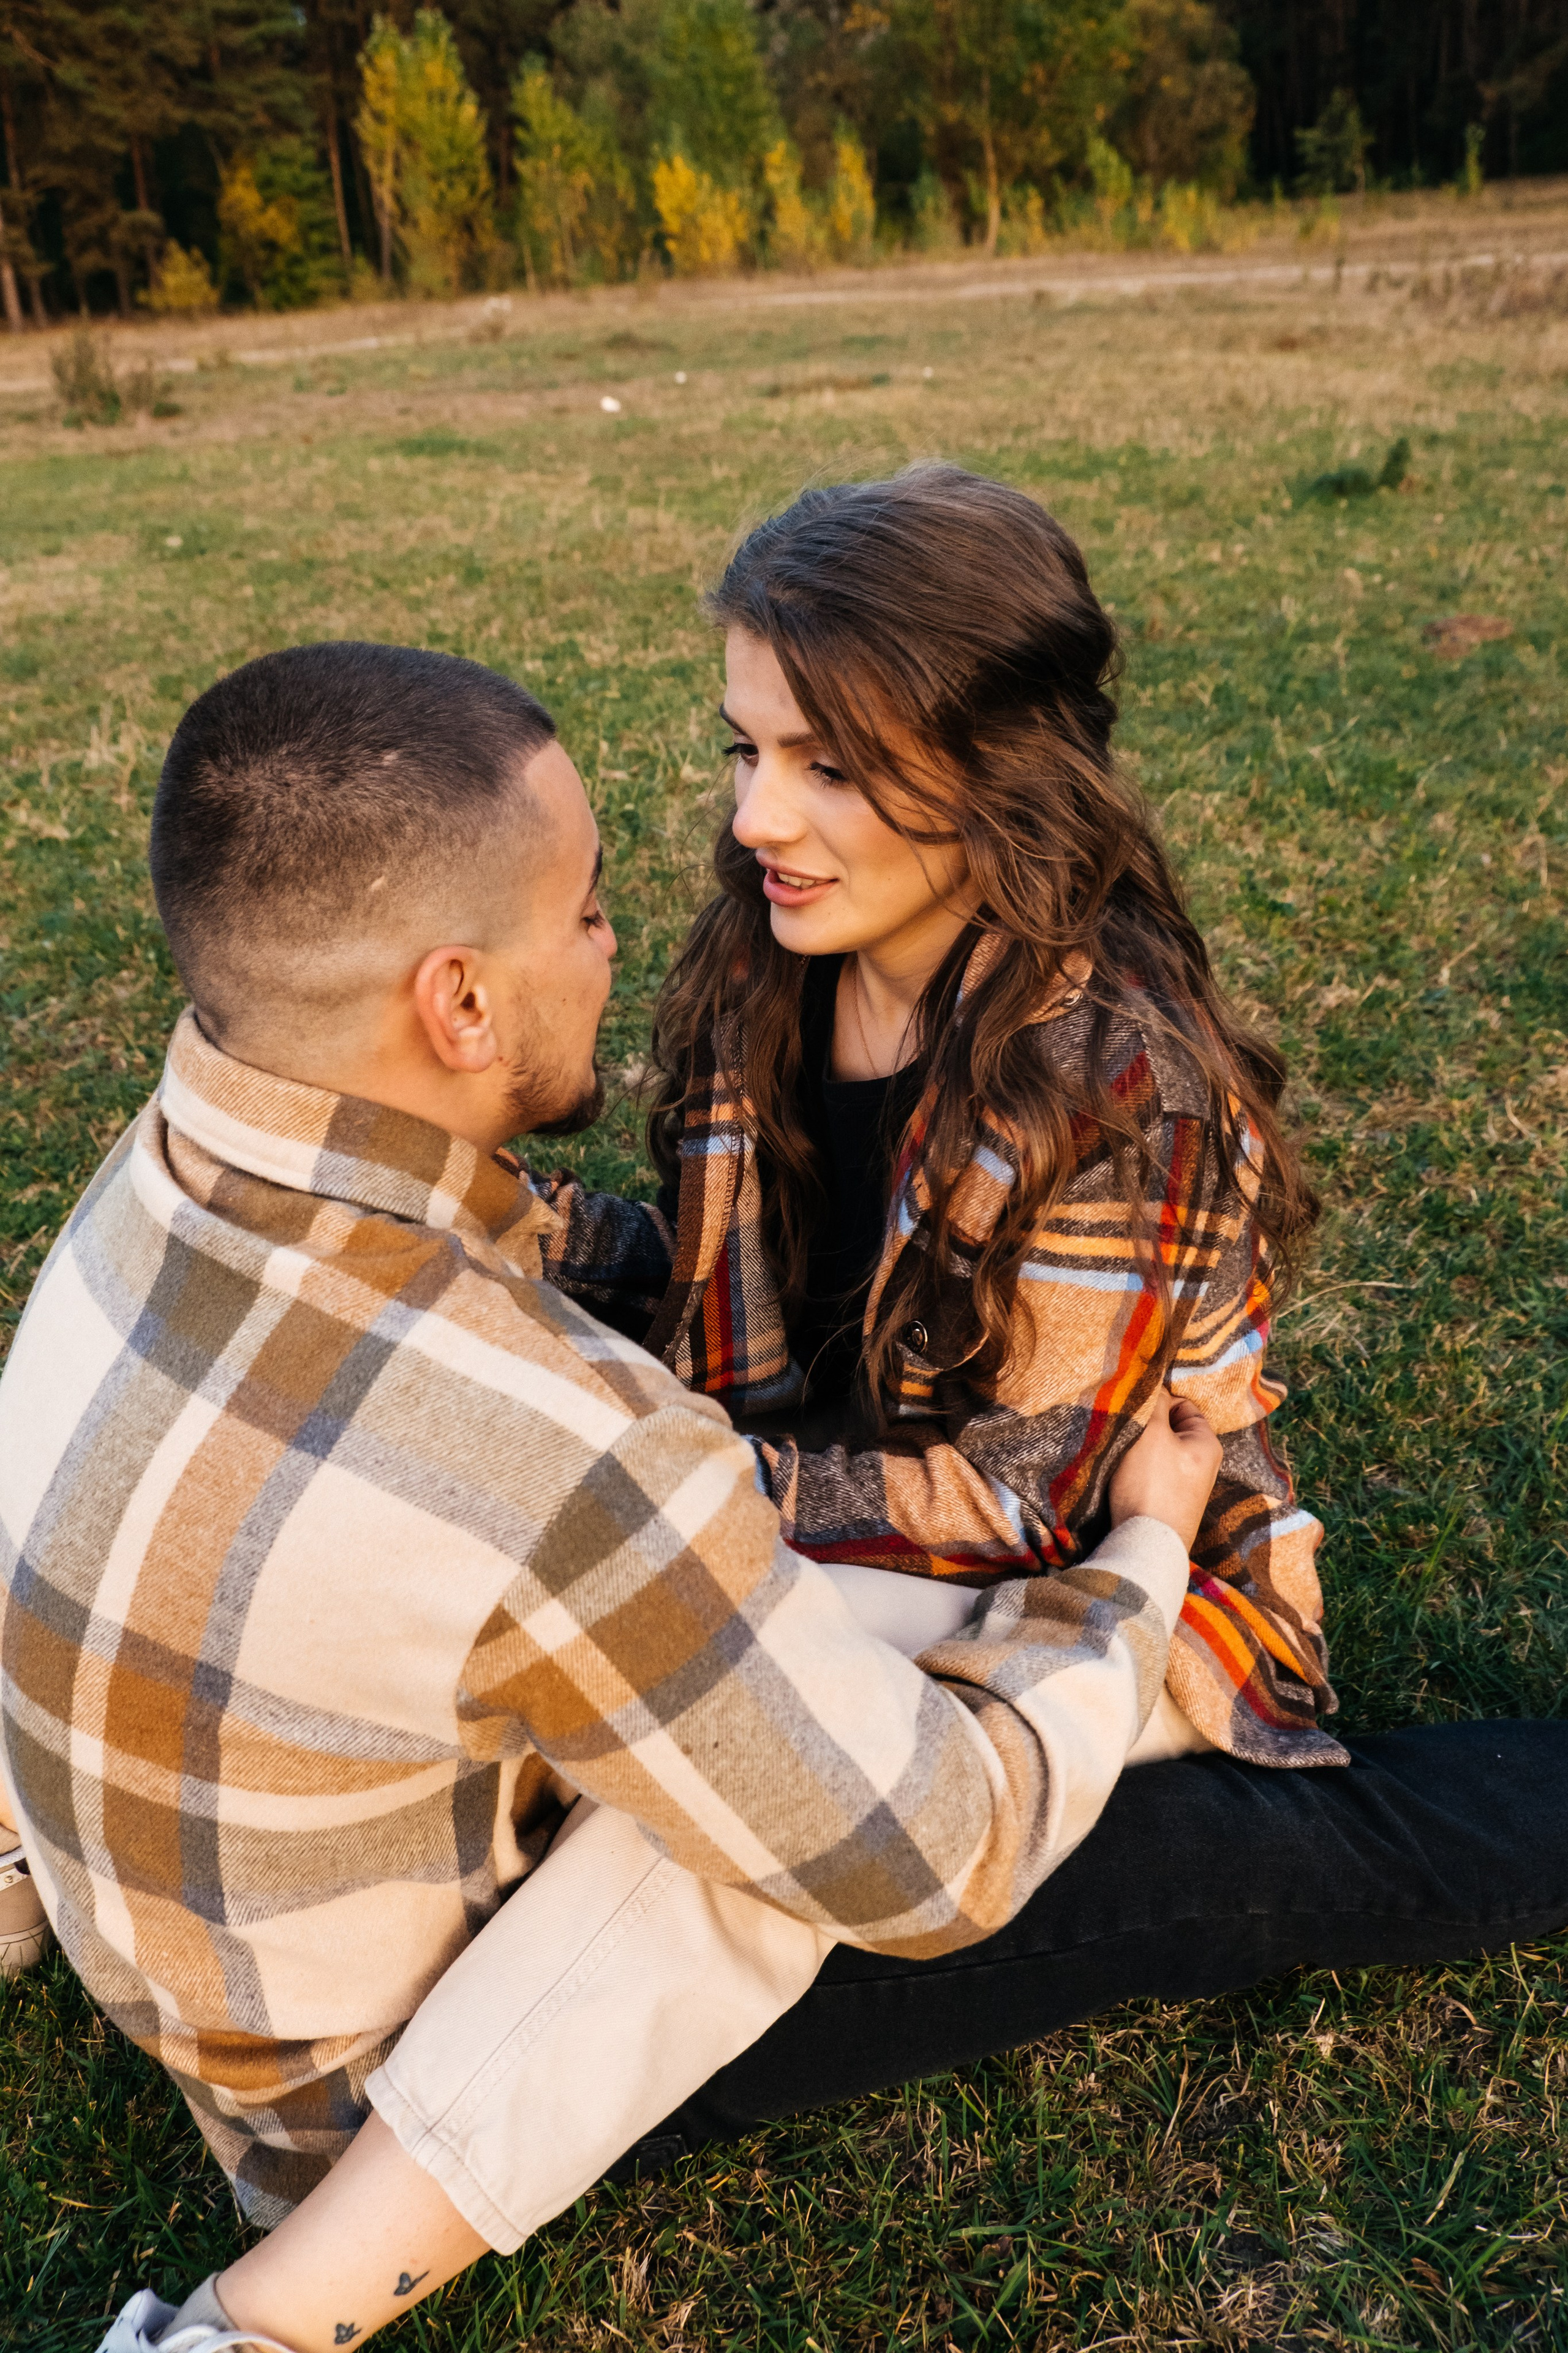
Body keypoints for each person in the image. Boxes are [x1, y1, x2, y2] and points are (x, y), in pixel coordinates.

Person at [0, 640, 1221, 2353]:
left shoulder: (171, 1155)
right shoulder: (563, 1449)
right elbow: (941, 1855)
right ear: (462, 1003)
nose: (616, 936)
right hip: (363, 2107)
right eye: (579, 912)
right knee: (844, 1696)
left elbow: (513, 1247)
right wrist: (1143, 1555)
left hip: (164, 1903)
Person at [541, 463, 1334, 1772]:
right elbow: (733, 1291)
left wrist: (683, 1488)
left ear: (1001, 775)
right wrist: (502, 1226)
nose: (754, 820)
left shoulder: (1122, 1087)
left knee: (652, 1673)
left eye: (830, 766)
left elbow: (1022, 1503)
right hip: (831, 1508)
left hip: (1091, 1590)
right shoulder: (770, 968)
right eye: (747, 749)